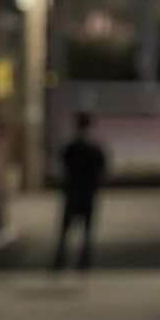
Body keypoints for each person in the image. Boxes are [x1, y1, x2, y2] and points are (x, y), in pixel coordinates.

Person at [53, 113, 108, 272]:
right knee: (87, 230)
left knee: (65, 229)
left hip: (72, 192)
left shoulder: (70, 147)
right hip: (88, 193)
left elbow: (63, 166)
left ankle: (60, 260)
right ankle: (84, 261)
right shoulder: (95, 148)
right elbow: (102, 170)